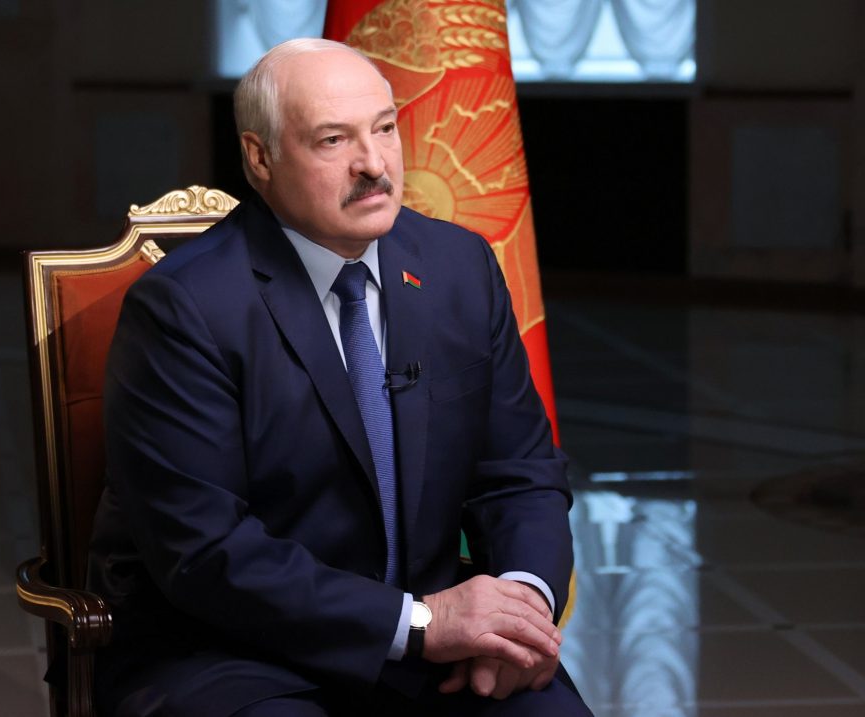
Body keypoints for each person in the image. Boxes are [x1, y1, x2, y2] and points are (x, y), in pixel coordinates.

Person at [87, 38, 592, 717]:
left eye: (384, 129)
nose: (374, 164)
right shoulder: (185, 308)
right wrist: (418, 622)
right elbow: (205, 551)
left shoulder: (460, 267)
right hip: (236, 656)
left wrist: (520, 607)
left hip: (436, 649)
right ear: (260, 158)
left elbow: (521, 473)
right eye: (333, 140)